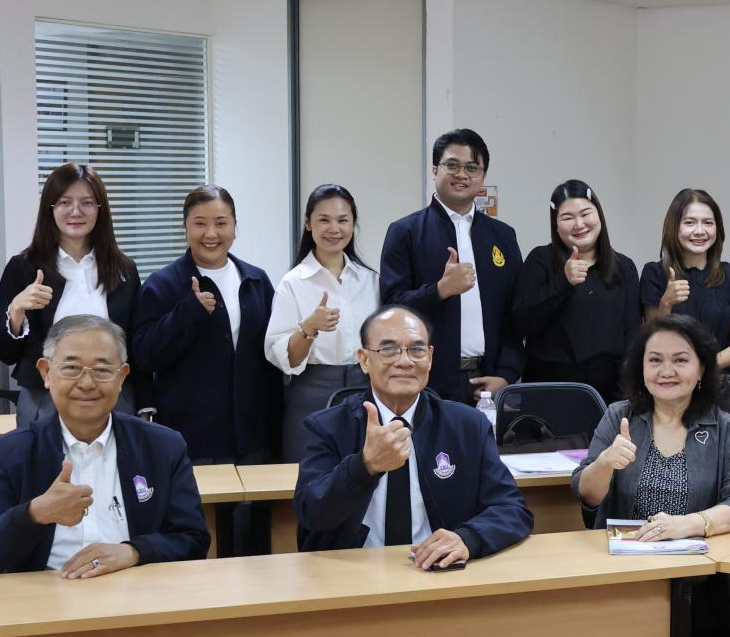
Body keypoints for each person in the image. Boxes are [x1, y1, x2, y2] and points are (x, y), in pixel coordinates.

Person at [0, 315, 210, 577]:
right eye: (71, 368)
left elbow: (193, 539)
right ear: (46, 372)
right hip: (45, 593)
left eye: (102, 370)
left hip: (135, 589)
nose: (87, 383)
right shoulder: (11, 453)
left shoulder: (163, 447)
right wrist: (35, 513)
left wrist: (134, 552)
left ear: (122, 376)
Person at [294, 305, 533, 567]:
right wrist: (364, 467)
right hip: (353, 570)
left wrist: (468, 538)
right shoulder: (328, 426)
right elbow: (311, 514)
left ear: (429, 358)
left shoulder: (467, 425)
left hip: (438, 570)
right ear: (364, 360)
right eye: (389, 350)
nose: (405, 361)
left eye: (416, 350)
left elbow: (511, 509)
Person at [131, 185, 281, 464]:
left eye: (221, 223)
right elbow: (145, 355)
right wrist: (186, 313)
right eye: (200, 224)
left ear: (235, 227)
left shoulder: (256, 281)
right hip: (191, 440)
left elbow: (271, 359)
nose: (211, 234)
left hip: (254, 437)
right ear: (185, 228)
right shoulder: (161, 284)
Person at [572, 313, 730, 533]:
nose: (667, 372)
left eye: (680, 360)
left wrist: (686, 525)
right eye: (655, 360)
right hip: (627, 550)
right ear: (641, 368)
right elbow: (586, 495)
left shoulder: (728, 428)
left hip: (698, 551)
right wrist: (604, 463)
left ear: (701, 369)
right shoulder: (619, 416)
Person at [379, 129, 524, 404]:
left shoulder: (503, 236)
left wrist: (506, 374)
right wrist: (440, 290)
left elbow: (515, 315)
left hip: (489, 381)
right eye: (452, 165)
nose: (462, 175)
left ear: (483, 176)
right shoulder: (405, 232)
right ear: (435, 170)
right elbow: (390, 310)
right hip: (426, 381)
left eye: (472, 168)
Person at [0, 163, 144, 426]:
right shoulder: (24, 267)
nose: (76, 211)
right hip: (45, 398)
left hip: (112, 396)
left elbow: (135, 344)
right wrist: (16, 311)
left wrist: (145, 403)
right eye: (65, 202)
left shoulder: (123, 269)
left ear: (100, 209)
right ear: (50, 209)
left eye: (87, 203)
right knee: (44, 455)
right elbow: (5, 353)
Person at [266, 184, 380, 462]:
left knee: (366, 472)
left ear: (353, 224)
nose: (334, 229)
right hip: (311, 392)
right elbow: (285, 359)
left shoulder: (370, 280)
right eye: (324, 220)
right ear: (308, 224)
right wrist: (309, 328)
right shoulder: (293, 283)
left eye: (343, 220)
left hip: (366, 389)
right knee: (309, 473)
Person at [510, 179, 640, 401]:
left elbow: (632, 338)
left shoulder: (624, 267)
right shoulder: (540, 260)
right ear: (556, 225)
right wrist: (563, 281)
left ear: (599, 215)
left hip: (610, 392)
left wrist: (623, 399)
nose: (579, 224)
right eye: (567, 217)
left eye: (585, 213)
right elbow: (521, 323)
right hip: (549, 391)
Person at [639, 188, 730, 369]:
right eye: (690, 223)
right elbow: (654, 339)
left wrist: (701, 368)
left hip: (721, 378)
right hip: (672, 376)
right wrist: (666, 302)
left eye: (708, 223)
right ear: (674, 227)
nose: (700, 231)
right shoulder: (655, 273)